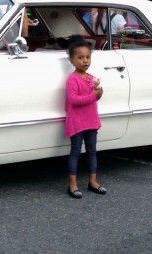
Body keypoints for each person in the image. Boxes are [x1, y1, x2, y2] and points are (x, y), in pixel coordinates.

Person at [64, 37, 106, 199]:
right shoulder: (72, 79)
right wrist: (93, 95)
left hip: (91, 121)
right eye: (80, 57)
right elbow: (74, 100)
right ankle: (73, 184)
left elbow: (95, 98)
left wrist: (99, 92)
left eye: (87, 57)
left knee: (92, 151)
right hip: (77, 122)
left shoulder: (91, 78)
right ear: (72, 60)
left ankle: (93, 181)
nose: (85, 60)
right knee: (75, 152)